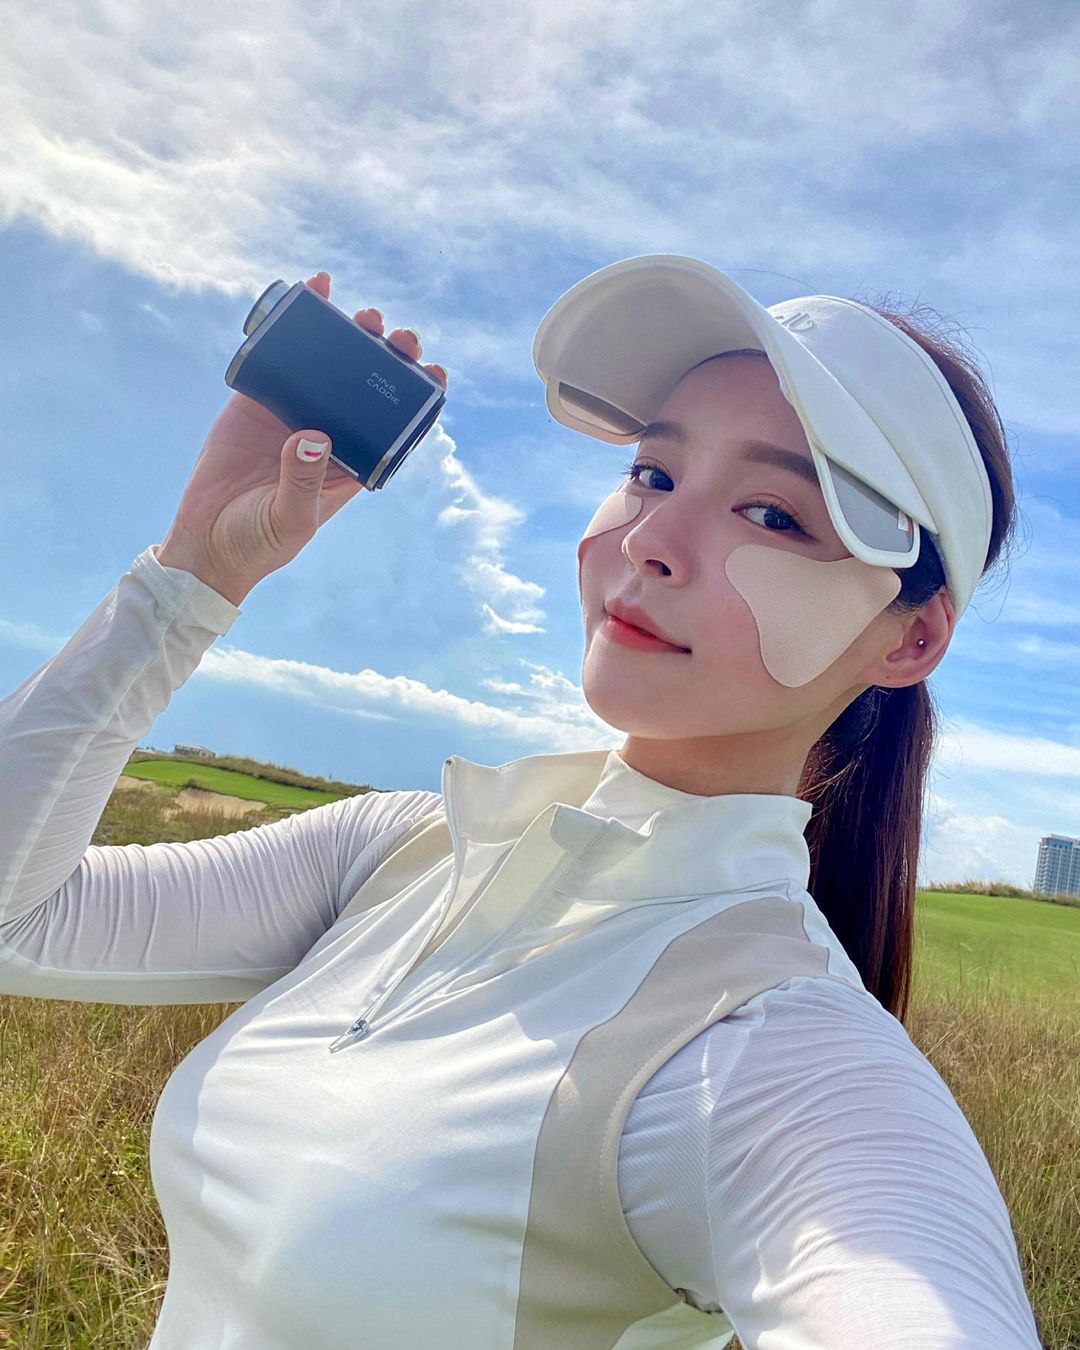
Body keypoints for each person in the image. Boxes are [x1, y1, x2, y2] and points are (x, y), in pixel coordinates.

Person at [0, 259, 1042, 1349]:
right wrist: (192, 572)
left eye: (772, 513)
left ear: (910, 639)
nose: (649, 540)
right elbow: (21, 918)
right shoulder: (406, 848)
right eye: (653, 472)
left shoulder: (773, 1051)